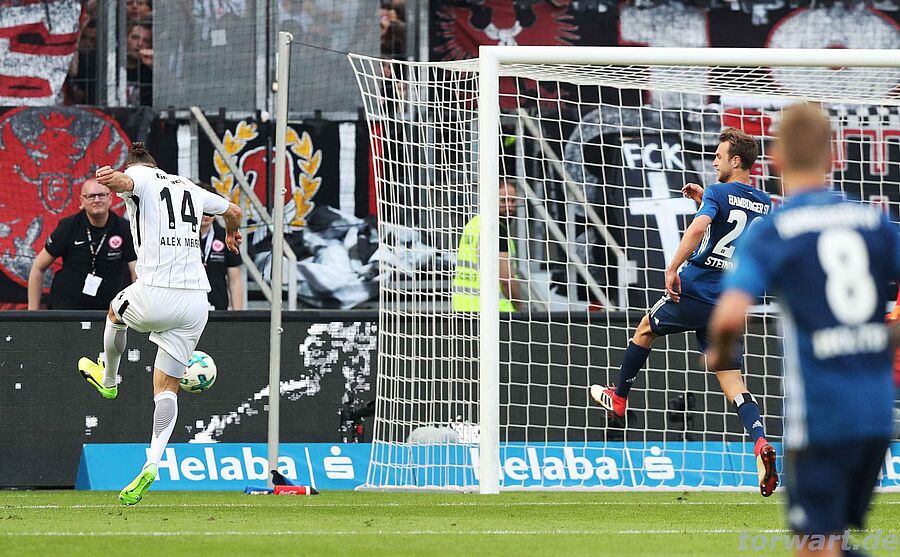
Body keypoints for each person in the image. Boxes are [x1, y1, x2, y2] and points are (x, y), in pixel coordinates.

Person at [708, 103, 899, 556]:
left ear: (775, 159)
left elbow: (730, 315)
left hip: (821, 416)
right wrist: (888, 337)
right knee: (825, 543)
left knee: (815, 545)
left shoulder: (775, 231)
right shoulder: (874, 222)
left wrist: (718, 352)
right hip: (876, 414)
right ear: (831, 157)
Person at [589, 127, 778, 497]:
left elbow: (699, 229)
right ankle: (760, 442)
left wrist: (673, 266)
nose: (714, 162)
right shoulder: (764, 202)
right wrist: (705, 197)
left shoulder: (719, 193)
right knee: (732, 379)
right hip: (728, 299)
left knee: (645, 328)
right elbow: (739, 231)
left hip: (696, 288)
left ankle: (619, 397)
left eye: (719, 157)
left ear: (735, 160)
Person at [78, 143, 242, 505]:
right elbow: (234, 210)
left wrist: (111, 178)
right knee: (167, 387)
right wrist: (231, 233)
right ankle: (153, 462)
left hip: (156, 291)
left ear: (134, 166)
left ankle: (109, 380)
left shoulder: (139, 176)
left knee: (114, 312)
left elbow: (125, 182)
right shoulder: (189, 186)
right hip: (196, 302)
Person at [28, 179, 137, 310]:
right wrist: (32, 314)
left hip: (108, 311)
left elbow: (136, 274)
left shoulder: (124, 228)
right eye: (90, 196)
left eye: (101, 195)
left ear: (110, 198)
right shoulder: (68, 226)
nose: (96, 200)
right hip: (66, 308)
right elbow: (38, 268)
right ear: (82, 201)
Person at [451, 178, 523, 312]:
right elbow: (505, 278)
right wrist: (519, 307)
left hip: (463, 306)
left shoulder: (473, 224)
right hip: (492, 310)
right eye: (504, 201)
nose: (510, 206)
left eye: (513, 201)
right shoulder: (496, 228)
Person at [196, 182, 244, 310]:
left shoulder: (226, 236)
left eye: (210, 210)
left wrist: (237, 315)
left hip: (219, 310)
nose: (206, 215)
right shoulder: (181, 235)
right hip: (189, 310)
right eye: (202, 209)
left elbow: (235, 280)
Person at [125, 23, 153, 107]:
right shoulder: (110, 68)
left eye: (146, 41)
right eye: (135, 38)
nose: (140, 44)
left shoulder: (150, 74)